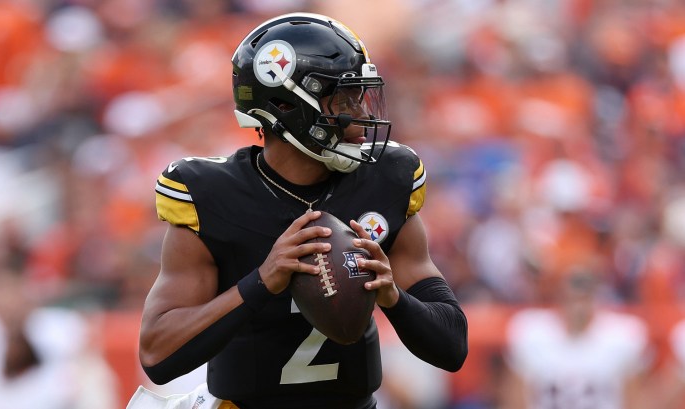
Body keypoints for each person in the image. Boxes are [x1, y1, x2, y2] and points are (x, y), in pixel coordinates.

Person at [137, 12, 468, 409]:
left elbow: (453, 346)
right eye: (346, 99)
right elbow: (157, 353)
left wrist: (394, 298)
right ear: (287, 105)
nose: (362, 116)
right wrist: (261, 282)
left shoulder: (386, 179)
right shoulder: (213, 194)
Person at [499, 267, 651, 409]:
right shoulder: (531, 332)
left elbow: (634, 400)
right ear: (560, 297)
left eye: (583, 298)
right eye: (572, 298)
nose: (578, 307)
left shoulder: (622, 335)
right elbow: (515, 400)